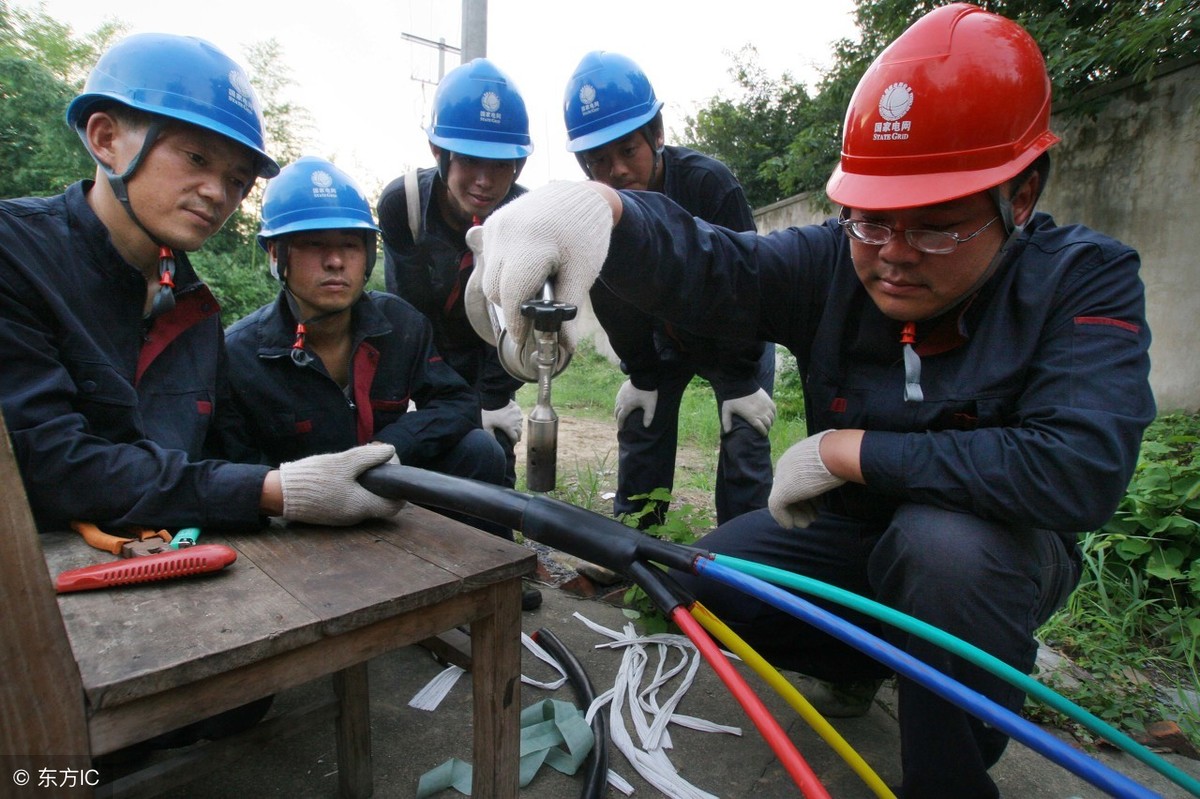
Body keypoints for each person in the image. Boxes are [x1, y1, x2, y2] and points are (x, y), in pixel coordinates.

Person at [475, 5, 1156, 796]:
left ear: (1022, 194)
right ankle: (878, 660)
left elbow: (1079, 468)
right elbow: (715, 264)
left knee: (944, 556)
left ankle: (950, 775)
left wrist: (851, 451)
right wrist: (606, 213)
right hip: (855, 535)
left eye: (935, 227)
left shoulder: (1083, 279)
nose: (894, 256)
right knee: (714, 578)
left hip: (989, 554)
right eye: (870, 220)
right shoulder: (832, 263)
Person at [223, 156, 540, 611]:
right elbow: (233, 466)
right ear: (277, 256)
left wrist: (388, 452)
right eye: (314, 245)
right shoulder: (239, 354)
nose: (335, 262)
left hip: (382, 490)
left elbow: (455, 403)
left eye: (351, 246)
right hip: (301, 516)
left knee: (479, 451)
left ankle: (491, 584)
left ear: (368, 254)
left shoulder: (400, 324)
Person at [562, 50, 775, 529]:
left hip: (735, 333)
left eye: (627, 151)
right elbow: (612, 299)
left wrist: (742, 377)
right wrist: (641, 371)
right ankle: (637, 542)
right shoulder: (599, 210)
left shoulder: (709, 185)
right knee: (642, 418)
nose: (615, 170)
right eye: (598, 160)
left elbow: (749, 285)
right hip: (664, 335)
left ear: (656, 135)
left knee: (744, 435)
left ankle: (742, 554)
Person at [377, 57, 532, 490]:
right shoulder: (403, 205)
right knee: (426, 464)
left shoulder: (527, 219)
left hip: (493, 355)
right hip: (428, 356)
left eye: (500, 164)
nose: (484, 180)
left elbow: (518, 322)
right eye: (470, 161)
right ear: (439, 154)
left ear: (518, 164)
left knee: (493, 460)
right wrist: (420, 388)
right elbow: (406, 313)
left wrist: (494, 398)